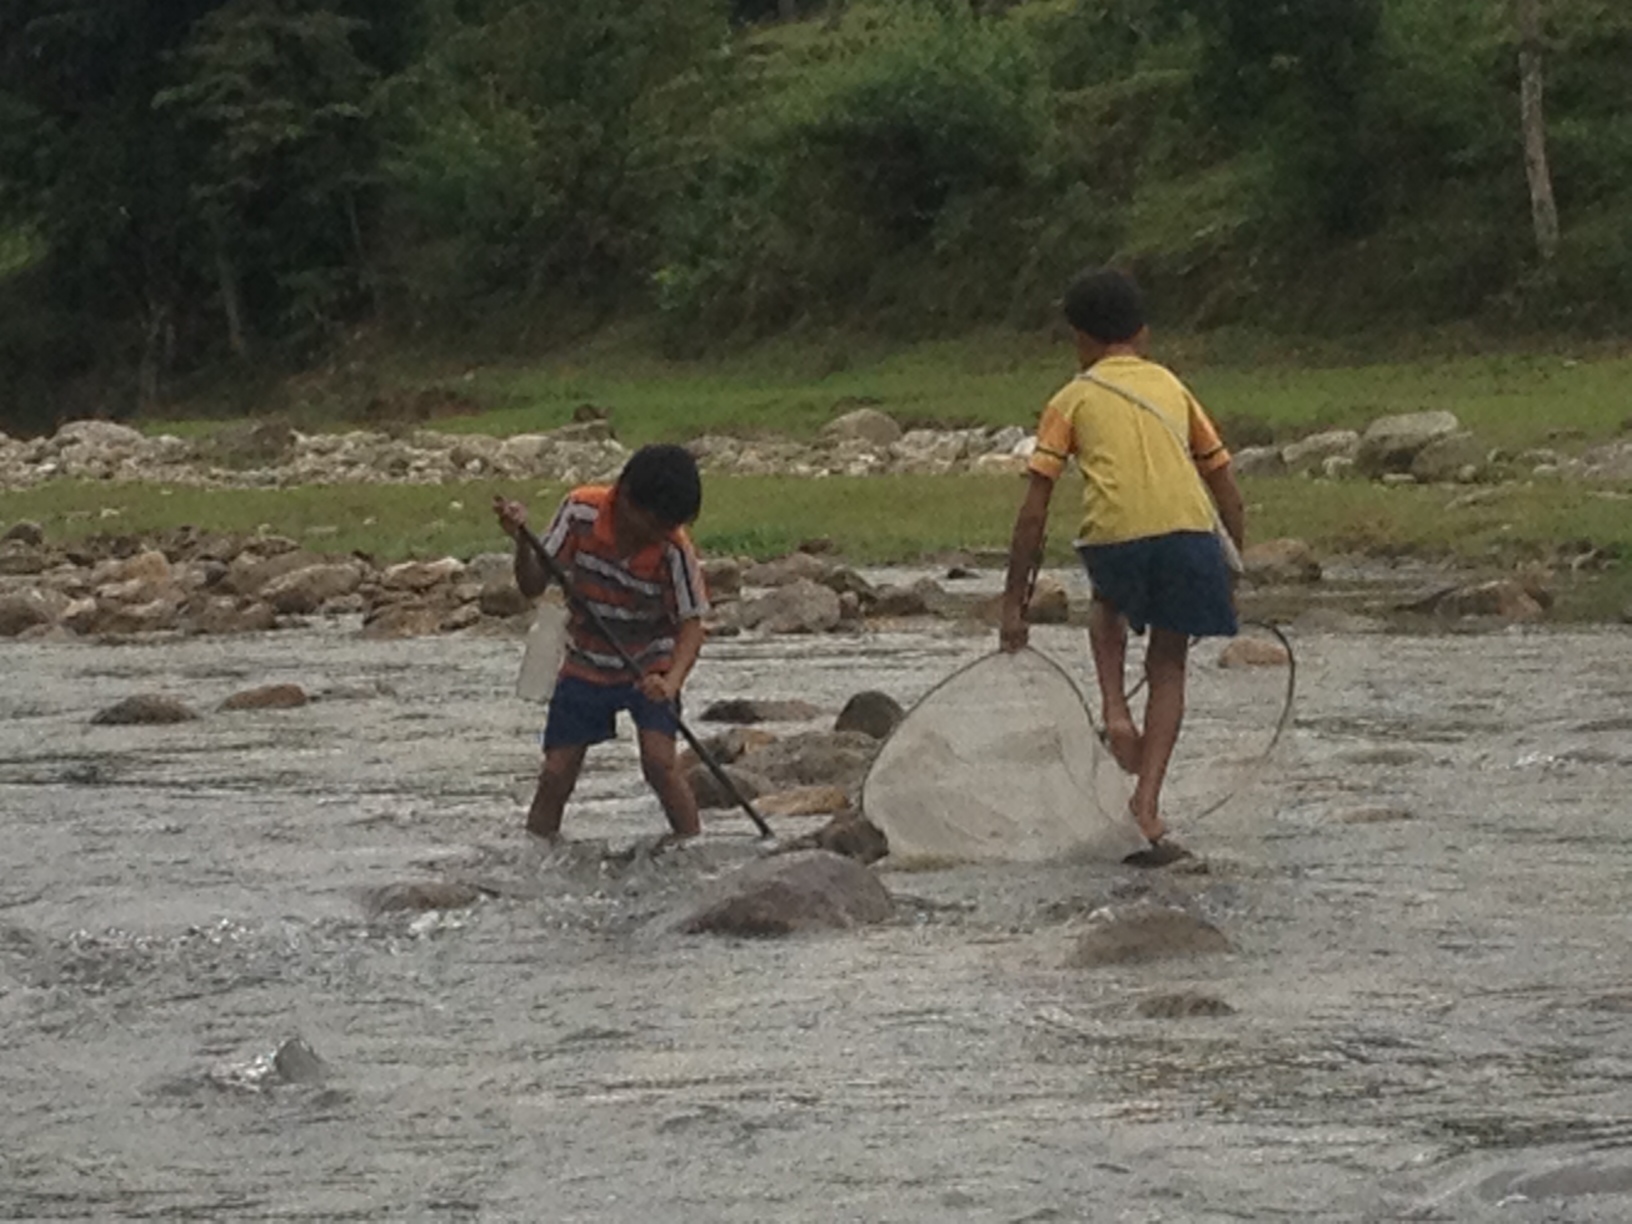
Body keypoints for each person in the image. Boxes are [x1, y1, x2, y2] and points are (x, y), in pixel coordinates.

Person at [998, 267, 1245, 864]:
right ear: (1143, 333)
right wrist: (1232, 563)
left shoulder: (1072, 398)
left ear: (1080, 338)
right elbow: (1224, 483)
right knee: (1169, 662)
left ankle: (1114, 709)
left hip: (1115, 536)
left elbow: (1034, 512)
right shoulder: (1174, 388)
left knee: (1107, 605)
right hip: (1190, 535)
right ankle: (1148, 804)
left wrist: (1014, 605)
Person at [493, 443, 710, 844]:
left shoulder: (674, 548)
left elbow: (692, 625)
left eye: (667, 528)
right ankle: (537, 850)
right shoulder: (580, 512)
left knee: (659, 763)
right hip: (588, 658)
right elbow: (532, 585)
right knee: (556, 772)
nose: (657, 537)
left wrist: (671, 682)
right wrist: (522, 540)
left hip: (651, 661)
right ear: (625, 498)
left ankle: (690, 844)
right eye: (652, 526)